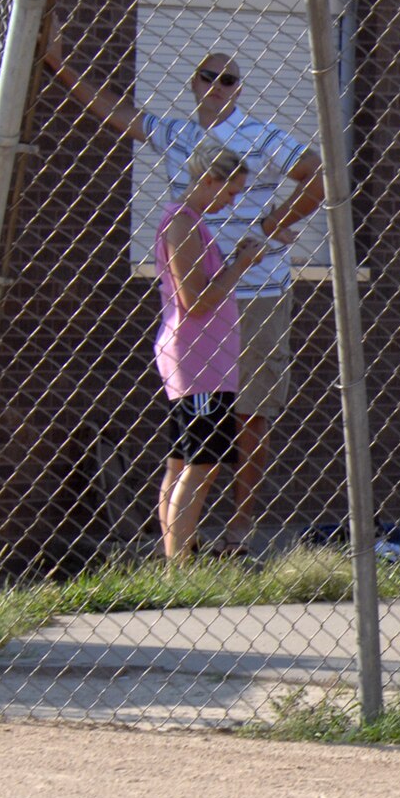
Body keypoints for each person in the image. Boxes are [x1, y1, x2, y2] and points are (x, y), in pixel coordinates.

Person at [41, 15, 323, 558]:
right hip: (198, 301)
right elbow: (115, 114)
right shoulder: (178, 135)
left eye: (228, 79)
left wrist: (269, 226)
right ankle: (182, 545)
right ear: (193, 84)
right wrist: (60, 65)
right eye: (207, 77)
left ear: (239, 89)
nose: (217, 87)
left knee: (250, 411)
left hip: (256, 290)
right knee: (198, 423)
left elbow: (316, 173)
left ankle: (239, 528)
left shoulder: (260, 135)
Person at [153, 142, 266, 564]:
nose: (231, 201)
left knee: (183, 459)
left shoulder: (193, 223)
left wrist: (235, 261)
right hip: (198, 361)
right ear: (209, 180)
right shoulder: (181, 223)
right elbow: (194, 300)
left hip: (207, 360)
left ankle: (175, 559)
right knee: (202, 463)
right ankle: (179, 565)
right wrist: (240, 267)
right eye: (230, 191)